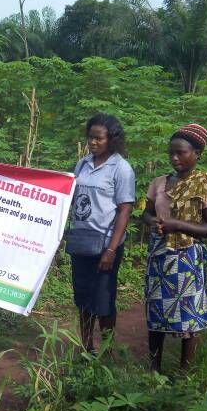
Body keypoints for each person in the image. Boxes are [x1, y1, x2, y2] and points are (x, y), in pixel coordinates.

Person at [141, 124, 207, 372]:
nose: (175, 158)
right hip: (160, 256)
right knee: (156, 311)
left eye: (181, 153)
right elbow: (145, 215)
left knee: (189, 315)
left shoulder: (206, 188)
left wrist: (177, 224)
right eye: (171, 153)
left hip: (187, 257)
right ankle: (154, 369)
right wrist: (154, 221)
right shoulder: (159, 183)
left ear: (197, 153)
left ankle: (184, 373)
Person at [65, 114, 135, 352]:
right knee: (83, 298)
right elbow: (71, 197)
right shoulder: (83, 164)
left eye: (99, 138)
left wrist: (111, 249)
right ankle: (85, 347)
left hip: (106, 244)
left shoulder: (121, 169)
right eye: (90, 137)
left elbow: (125, 210)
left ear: (112, 139)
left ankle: (105, 350)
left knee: (103, 301)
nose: (93, 142)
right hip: (81, 241)